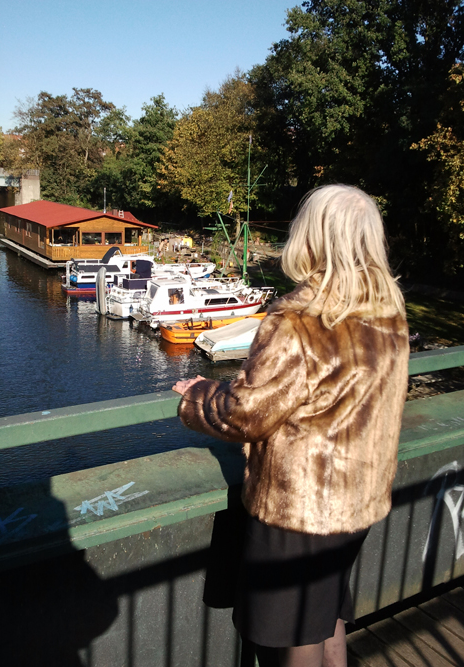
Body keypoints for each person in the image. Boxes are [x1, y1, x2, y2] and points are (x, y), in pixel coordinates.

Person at [172, 184, 409, 667]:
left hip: (299, 510)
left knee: (292, 633)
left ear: (311, 236)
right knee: (325, 612)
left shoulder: (299, 321)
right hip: (357, 503)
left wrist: (197, 395)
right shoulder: (389, 312)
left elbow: (246, 413)